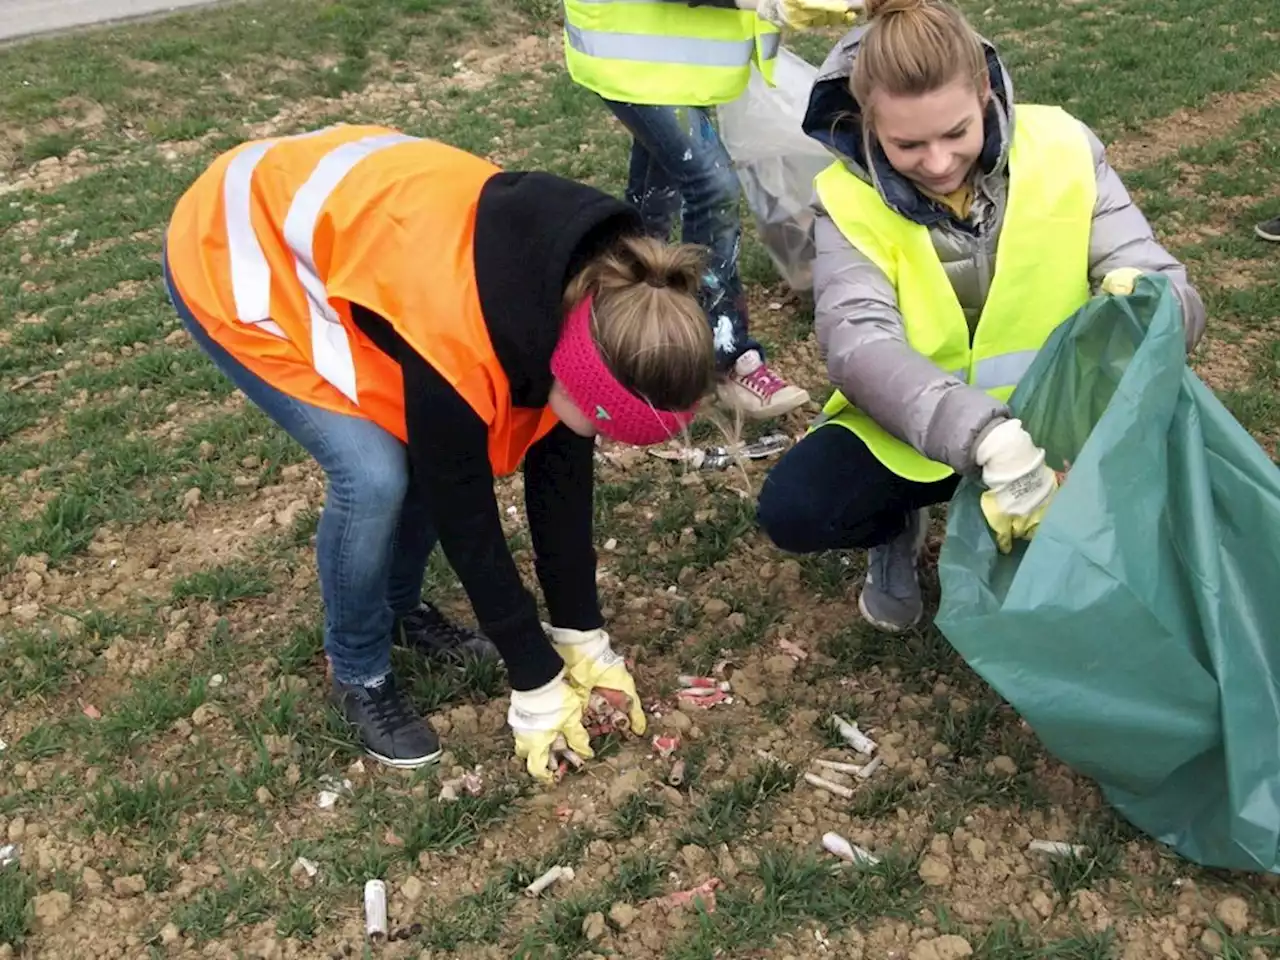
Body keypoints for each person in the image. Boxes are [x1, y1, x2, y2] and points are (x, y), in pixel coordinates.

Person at [162, 123, 716, 780]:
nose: (601, 443)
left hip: (357, 230)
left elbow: (560, 479)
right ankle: (359, 667)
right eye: (605, 426)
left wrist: (579, 633)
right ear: (578, 373)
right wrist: (533, 677)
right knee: (373, 476)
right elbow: (465, 508)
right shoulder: (459, 330)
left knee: (431, 447)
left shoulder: (599, 298)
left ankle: (400, 608)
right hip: (237, 246)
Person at [756, 0, 1206, 631]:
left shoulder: (1063, 147)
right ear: (867, 124)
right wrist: (989, 439)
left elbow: (1162, 281)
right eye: (907, 143)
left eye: (956, 132)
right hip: (926, 432)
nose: (938, 163)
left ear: (988, 96)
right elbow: (858, 343)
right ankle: (896, 530)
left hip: (1063, 419)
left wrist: (1156, 300)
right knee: (799, 508)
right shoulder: (846, 199)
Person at [559, 0, 857, 419]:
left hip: (671, 55)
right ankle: (724, 358)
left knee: (655, 196)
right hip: (630, 50)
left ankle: (627, 330)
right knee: (711, 184)